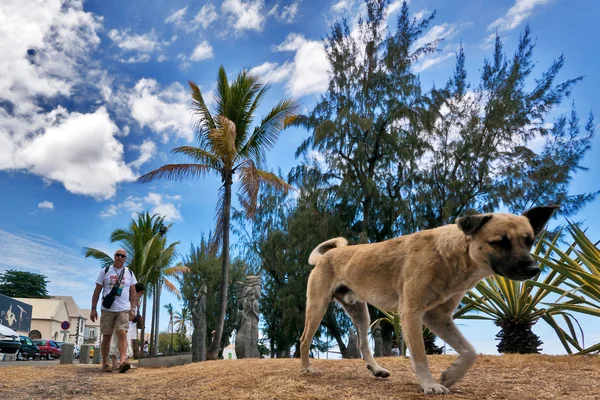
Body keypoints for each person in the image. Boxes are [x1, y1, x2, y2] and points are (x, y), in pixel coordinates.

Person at [90, 249, 137, 373]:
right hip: (107, 309)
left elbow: (133, 293)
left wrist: (132, 309)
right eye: (117, 255)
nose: (120, 257)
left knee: (122, 333)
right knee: (107, 336)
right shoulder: (105, 271)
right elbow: (97, 291)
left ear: (125, 259)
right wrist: (93, 309)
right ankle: (105, 363)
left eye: (122, 256)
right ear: (114, 256)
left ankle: (122, 362)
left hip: (123, 309)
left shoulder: (129, 273)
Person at [108, 282, 145, 370]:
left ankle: (120, 363)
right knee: (122, 343)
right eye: (141, 293)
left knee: (118, 342)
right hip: (124, 323)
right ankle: (121, 363)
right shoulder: (128, 300)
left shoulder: (132, 300)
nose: (141, 295)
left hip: (127, 324)